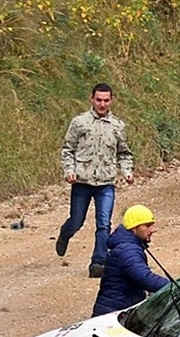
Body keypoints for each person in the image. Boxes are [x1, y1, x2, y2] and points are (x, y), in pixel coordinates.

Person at [57, 83, 135, 278]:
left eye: (106, 100)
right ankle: (65, 233)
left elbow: (124, 153)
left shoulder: (118, 126)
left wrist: (126, 172)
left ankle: (98, 262)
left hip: (106, 183)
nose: (102, 104)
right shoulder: (79, 122)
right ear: (92, 99)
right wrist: (70, 170)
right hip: (82, 181)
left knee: (104, 224)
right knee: (77, 221)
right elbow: (68, 149)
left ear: (111, 100)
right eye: (99, 100)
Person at [92, 205, 168, 316]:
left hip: (116, 310)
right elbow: (144, 278)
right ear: (134, 228)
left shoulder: (129, 246)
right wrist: (174, 287)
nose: (153, 230)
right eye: (147, 226)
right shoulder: (128, 250)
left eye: (152, 225)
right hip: (113, 315)